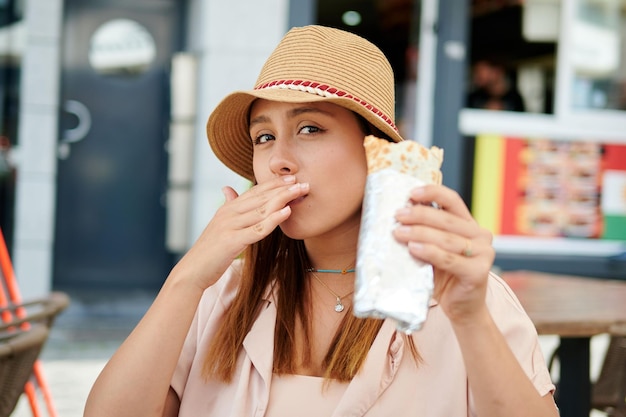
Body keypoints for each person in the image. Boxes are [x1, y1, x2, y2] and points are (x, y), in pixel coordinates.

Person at [84, 25, 558, 416]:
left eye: (310, 128)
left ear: (377, 154)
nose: (278, 161)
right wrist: (186, 279)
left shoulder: (462, 297)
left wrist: (471, 319)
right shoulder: (224, 293)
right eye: (264, 137)